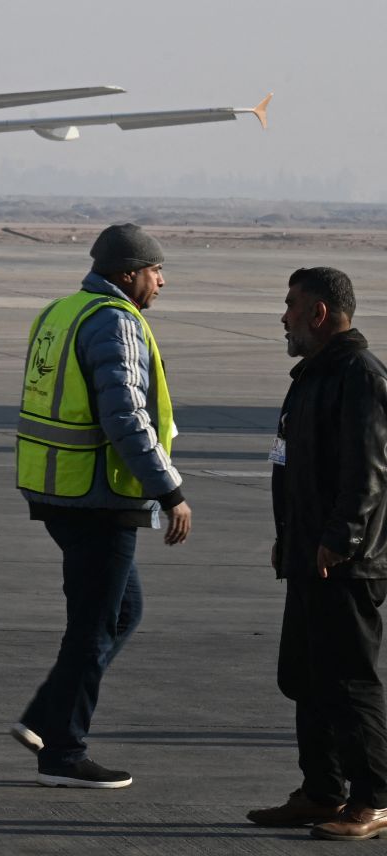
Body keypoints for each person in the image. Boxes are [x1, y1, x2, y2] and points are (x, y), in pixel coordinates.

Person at [11, 222, 192, 789]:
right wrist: (171, 491)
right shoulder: (115, 322)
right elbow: (126, 417)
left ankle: (46, 718)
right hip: (98, 495)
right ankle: (63, 752)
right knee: (92, 627)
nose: (161, 282)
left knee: (121, 612)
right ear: (128, 274)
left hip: (59, 488)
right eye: (155, 271)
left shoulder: (61, 311)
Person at [246, 267, 387, 839]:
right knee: (306, 676)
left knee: (349, 680)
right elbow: (289, 465)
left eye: (291, 305)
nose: (284, 316)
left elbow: (368, 472)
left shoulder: (360, 376)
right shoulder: (310, 377)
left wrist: (340, 539)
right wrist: (289, 538)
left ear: (320, 314)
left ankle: (374, 799)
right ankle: (321, 791)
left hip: (346, 562)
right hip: (308, 554)